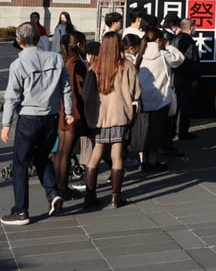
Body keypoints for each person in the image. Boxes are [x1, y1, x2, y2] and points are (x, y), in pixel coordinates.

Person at [1, 22, 74, 225]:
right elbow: (65, 88)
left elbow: (12, 97)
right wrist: (68, 112)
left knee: (20, 164)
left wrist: (6, 124)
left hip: (29, 117)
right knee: (42, 157)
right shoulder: (55, 58)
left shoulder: (18, 64)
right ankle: (53, 193)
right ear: (38, 38)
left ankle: (21, 210)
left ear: (18, 41)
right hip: (51, 116)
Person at [81, 32, 141, 208]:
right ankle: (116, 196)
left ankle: (90, 195)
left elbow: (85, 94)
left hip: (99, 118)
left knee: (95, 154)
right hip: (120, 116)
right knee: (117, 155)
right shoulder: (127, 66)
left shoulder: (94, 67)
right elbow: (136, 92)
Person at [135, 15, 184, 171]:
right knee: (156, 131)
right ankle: (153, 160)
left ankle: (143, 160)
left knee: (144, 132)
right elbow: (179, 59)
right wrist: (169, 46)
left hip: (143, 99)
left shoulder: (139, 56)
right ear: (158, 40)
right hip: (161, 99)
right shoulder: (163, 55)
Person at [53, 30, 88, 199]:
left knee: (61, 151)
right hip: (73, 110)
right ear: (79, 44)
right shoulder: (76, 63)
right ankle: (62, 188)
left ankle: (58, 186)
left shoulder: (64, 60)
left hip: (62, 109)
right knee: (66, 151)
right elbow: (80, 90)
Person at [172, 18, 201, 140]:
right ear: (190, 27)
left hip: (175, 76)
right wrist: (194, 78)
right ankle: (182, 131)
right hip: (185, 77)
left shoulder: (175, 39)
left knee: (177, 104)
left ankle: (176, 130)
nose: (195, 29)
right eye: (194, 26)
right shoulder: (188, 40)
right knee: (184, 105)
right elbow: (191, 60)